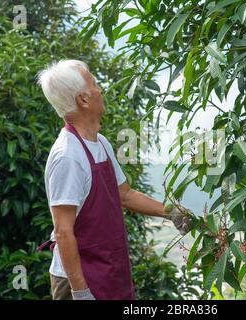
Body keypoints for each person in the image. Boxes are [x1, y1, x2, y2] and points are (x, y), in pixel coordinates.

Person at [36, 60, 193, 300]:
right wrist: (81, 293)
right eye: (95, 84)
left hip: (109, 269)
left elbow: (125, 194)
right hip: (78, 279)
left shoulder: (101, 144)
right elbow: (63, 232)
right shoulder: (67, 156)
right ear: (84, 99)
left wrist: (170, 212)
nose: (100, 90)